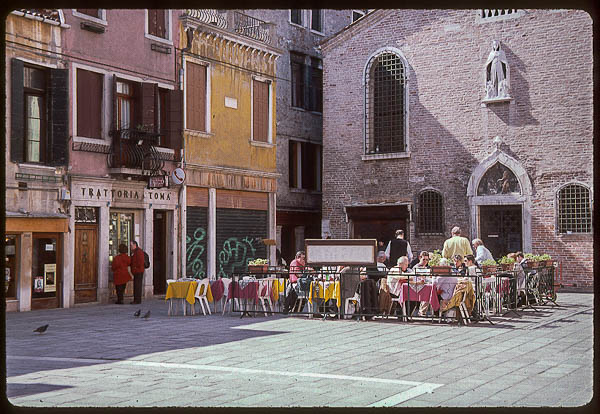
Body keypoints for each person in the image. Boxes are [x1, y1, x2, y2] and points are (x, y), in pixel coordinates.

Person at [129, 240, 145, 304]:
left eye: (131, 245)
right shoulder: (135, 251)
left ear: (135, 245)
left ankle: (137, 300)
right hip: (137, 271)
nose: (130, 247)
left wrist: (135, 268)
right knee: (136, 286)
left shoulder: (139, 252)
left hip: (138, 271)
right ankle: (136, 299)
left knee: (137, 286)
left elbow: (140, 262)